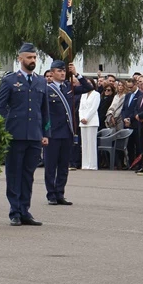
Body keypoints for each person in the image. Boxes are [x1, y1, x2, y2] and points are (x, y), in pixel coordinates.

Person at [0, 43, 49, 226]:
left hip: (34, 135)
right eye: (29, 57)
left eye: (34, 58)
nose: (32, 61)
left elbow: (44, 110)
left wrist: (45, 133)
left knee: (28, 175)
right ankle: (14, 211)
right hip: (14, 135)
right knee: (14, 174)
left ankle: (25, 210)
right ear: (20, 58)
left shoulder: (41, 81)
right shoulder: (10, 81)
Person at [43, 61, 93, 204]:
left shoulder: (68, 87)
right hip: (52, 133)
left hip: (67, 132)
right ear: (51, 74)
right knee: (51, 166)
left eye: (64, 71)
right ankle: (51, 194)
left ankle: (60, 193)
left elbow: (89, 87)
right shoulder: (46, 89)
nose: (63, 73)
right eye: (59, 71)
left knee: (64, 166)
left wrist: (77, 74)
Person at [78, 82, 102, 171]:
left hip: (92, 120)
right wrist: (81, 118)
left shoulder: (96, 94)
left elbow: (94, 108)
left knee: (91, 143)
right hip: (82, 122)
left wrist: (87, 118)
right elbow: (80, 108)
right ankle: (85, 164)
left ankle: (92, 164)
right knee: (84, 143)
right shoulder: (83, 94)